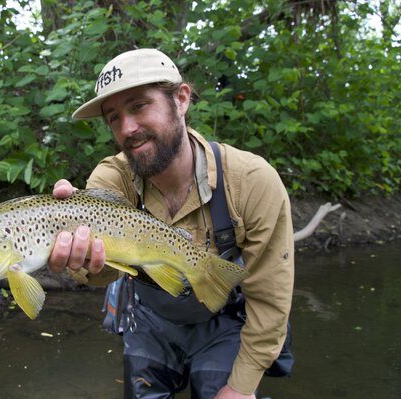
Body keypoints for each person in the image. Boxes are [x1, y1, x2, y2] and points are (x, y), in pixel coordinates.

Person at [48, 48, 294, 399]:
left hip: (223, 321)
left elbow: (270, 301)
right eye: (113, 117)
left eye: (139, 106)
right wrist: (82, 257)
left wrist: (242, 386)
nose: (127, 129)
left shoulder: (251, 181)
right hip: (149, 318)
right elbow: (102, 274)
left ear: (181, 99)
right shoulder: (111, 178)